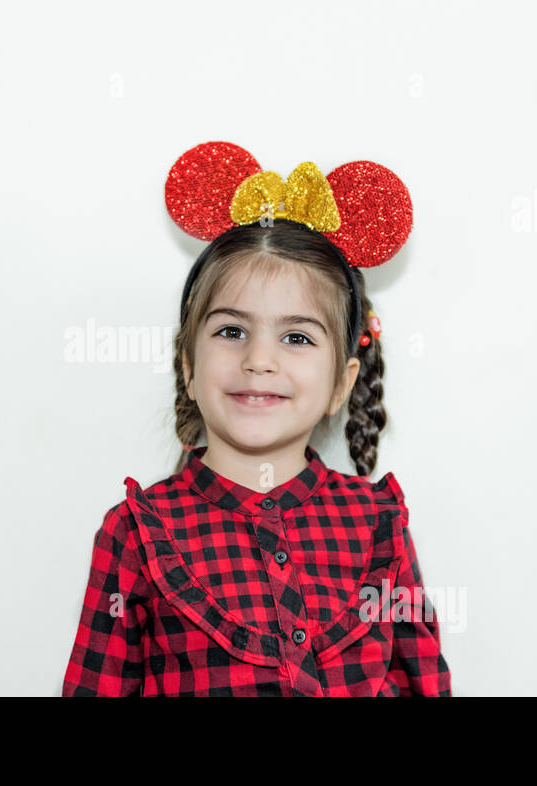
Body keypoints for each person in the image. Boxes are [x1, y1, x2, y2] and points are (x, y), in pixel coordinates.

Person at [61, 142, 452, 696]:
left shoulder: (379, 525)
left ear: (342, 383)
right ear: (188, 366)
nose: (259, 360)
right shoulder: (137, 534)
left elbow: (426, 684)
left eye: (296, 337)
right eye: (231, 331)